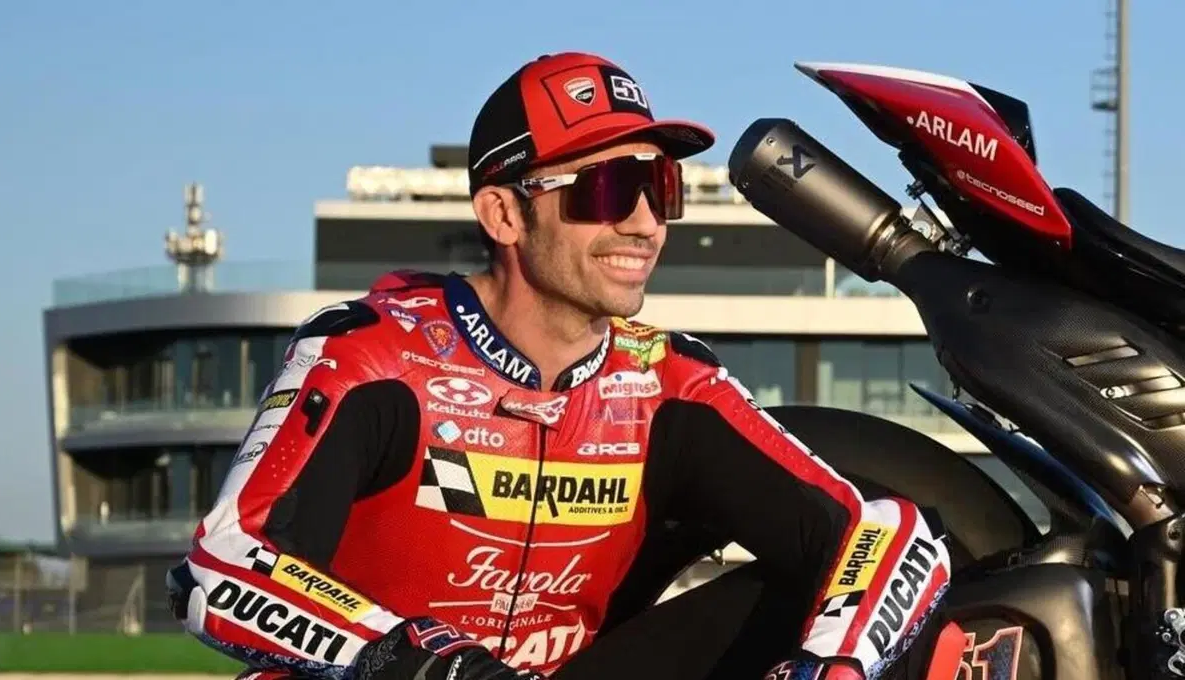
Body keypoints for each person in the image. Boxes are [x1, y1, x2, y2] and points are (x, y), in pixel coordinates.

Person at [166, 51, 964, 680]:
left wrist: (832, 668)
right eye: (609, 189)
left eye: (660, 186)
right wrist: (426, 663)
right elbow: (222, 566)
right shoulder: (371, 353)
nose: (645, 223)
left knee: (843, 597)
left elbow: (889, 537)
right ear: (503, 213)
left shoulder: (668, 382)